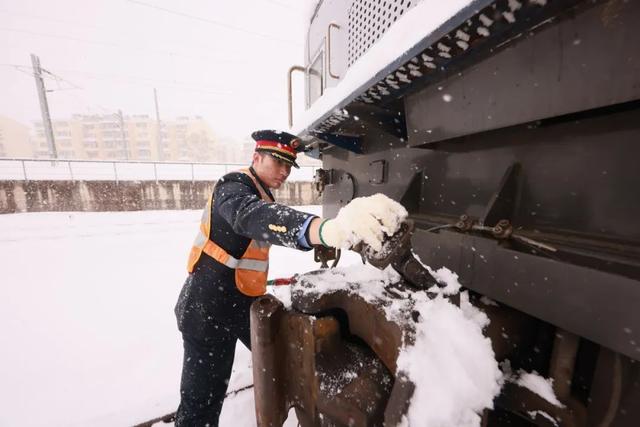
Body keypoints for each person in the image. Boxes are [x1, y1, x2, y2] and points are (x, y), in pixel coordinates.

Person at [174, 130, 406, 426]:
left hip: (236, 302)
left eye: (289, 165)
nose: (284, 172)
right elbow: (249, 216)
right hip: (206, 307)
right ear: (256, 157)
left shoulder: (260, 193)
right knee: (203, 398)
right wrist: (320, 230)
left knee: (280, 362)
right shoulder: (233, 186)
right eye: (278, 162)